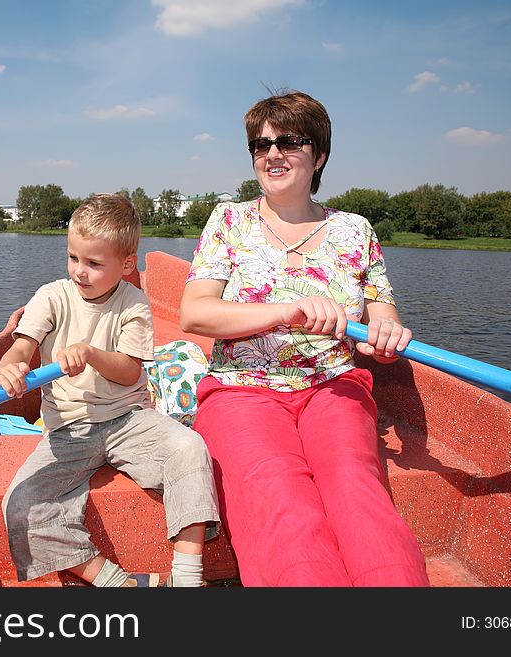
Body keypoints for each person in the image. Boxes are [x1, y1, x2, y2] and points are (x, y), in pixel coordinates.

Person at [179, 90, 430, 587]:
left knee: (356, 487)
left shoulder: (356, 231)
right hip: (241, 389)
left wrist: (384, 335)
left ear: (319, 155)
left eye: (290, 141)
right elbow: (194, 314)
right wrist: (287, 311)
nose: (272, 154)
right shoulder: (228, 220)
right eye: (260, 144)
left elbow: (382, 318)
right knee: (279, 494)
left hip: (333, 387)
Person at [0, 194, 220, 587]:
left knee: (190, 448)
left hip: (128, 418)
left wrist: (93, 354)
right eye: (73, 257)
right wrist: (9, 367)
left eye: (94, 263)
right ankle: (115, 582)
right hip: (68, 426)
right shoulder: (51, 296)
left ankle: (187, 579)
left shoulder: (134, 304)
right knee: (20, 502)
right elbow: (22, 346)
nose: (80, 271)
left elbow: (130, 372)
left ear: (127, 264)